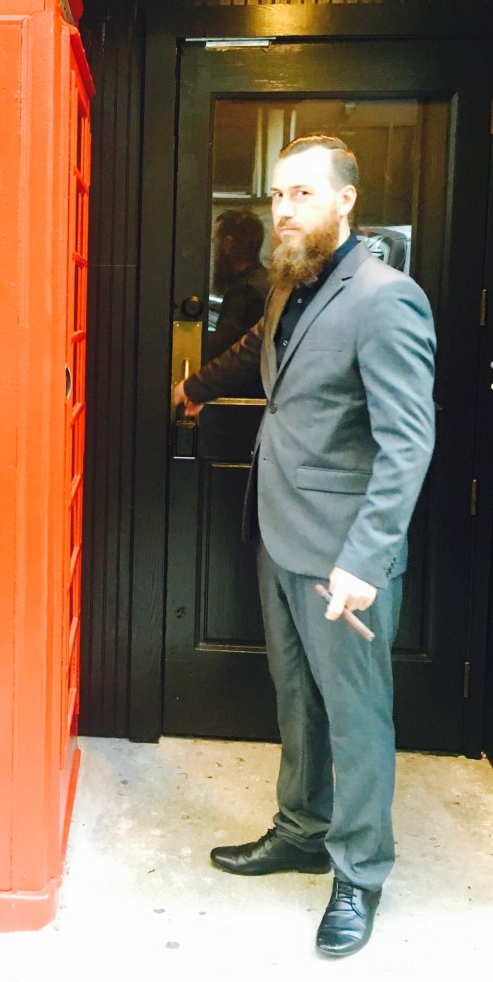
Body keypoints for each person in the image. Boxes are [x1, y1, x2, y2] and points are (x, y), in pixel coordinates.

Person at [173, 134, 436, 958]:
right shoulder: (292, 282)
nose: (285, 209)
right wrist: (194, 385)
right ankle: (300, 828)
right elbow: (261, 355)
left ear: (345, 201)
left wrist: (364, 560)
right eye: (279, 195)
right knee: (297, 698)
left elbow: (407, 443)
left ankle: (359, 870)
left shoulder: (386, 298)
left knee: (355, 715)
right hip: (279, 532)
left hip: (342, 555)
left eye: (303, 194)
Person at [205, 207, 270, 363]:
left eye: (215, 243)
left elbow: (220, 351)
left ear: (228, 244)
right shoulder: (268, 281)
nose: (214, 252)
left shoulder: (244, 292)